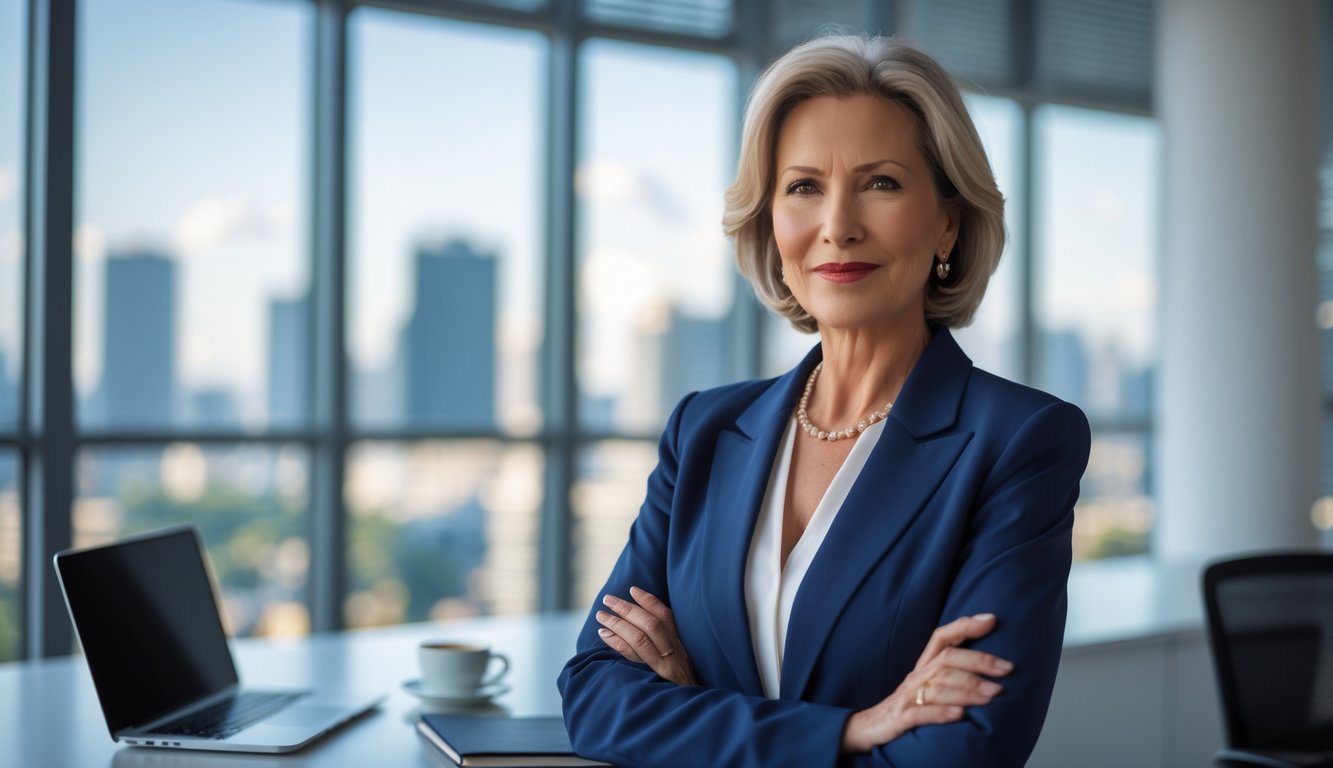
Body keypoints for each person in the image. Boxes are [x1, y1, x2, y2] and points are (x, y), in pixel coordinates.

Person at [558, 33, 1090, 768]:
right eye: (803, 186)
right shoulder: (704, 430)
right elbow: (593, 696)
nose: (836, 225)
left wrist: (691, 707)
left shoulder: (1020, 441)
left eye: (880, 183)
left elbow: (960, 753)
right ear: (770, 222)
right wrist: (850, 730)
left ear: (947, 221)